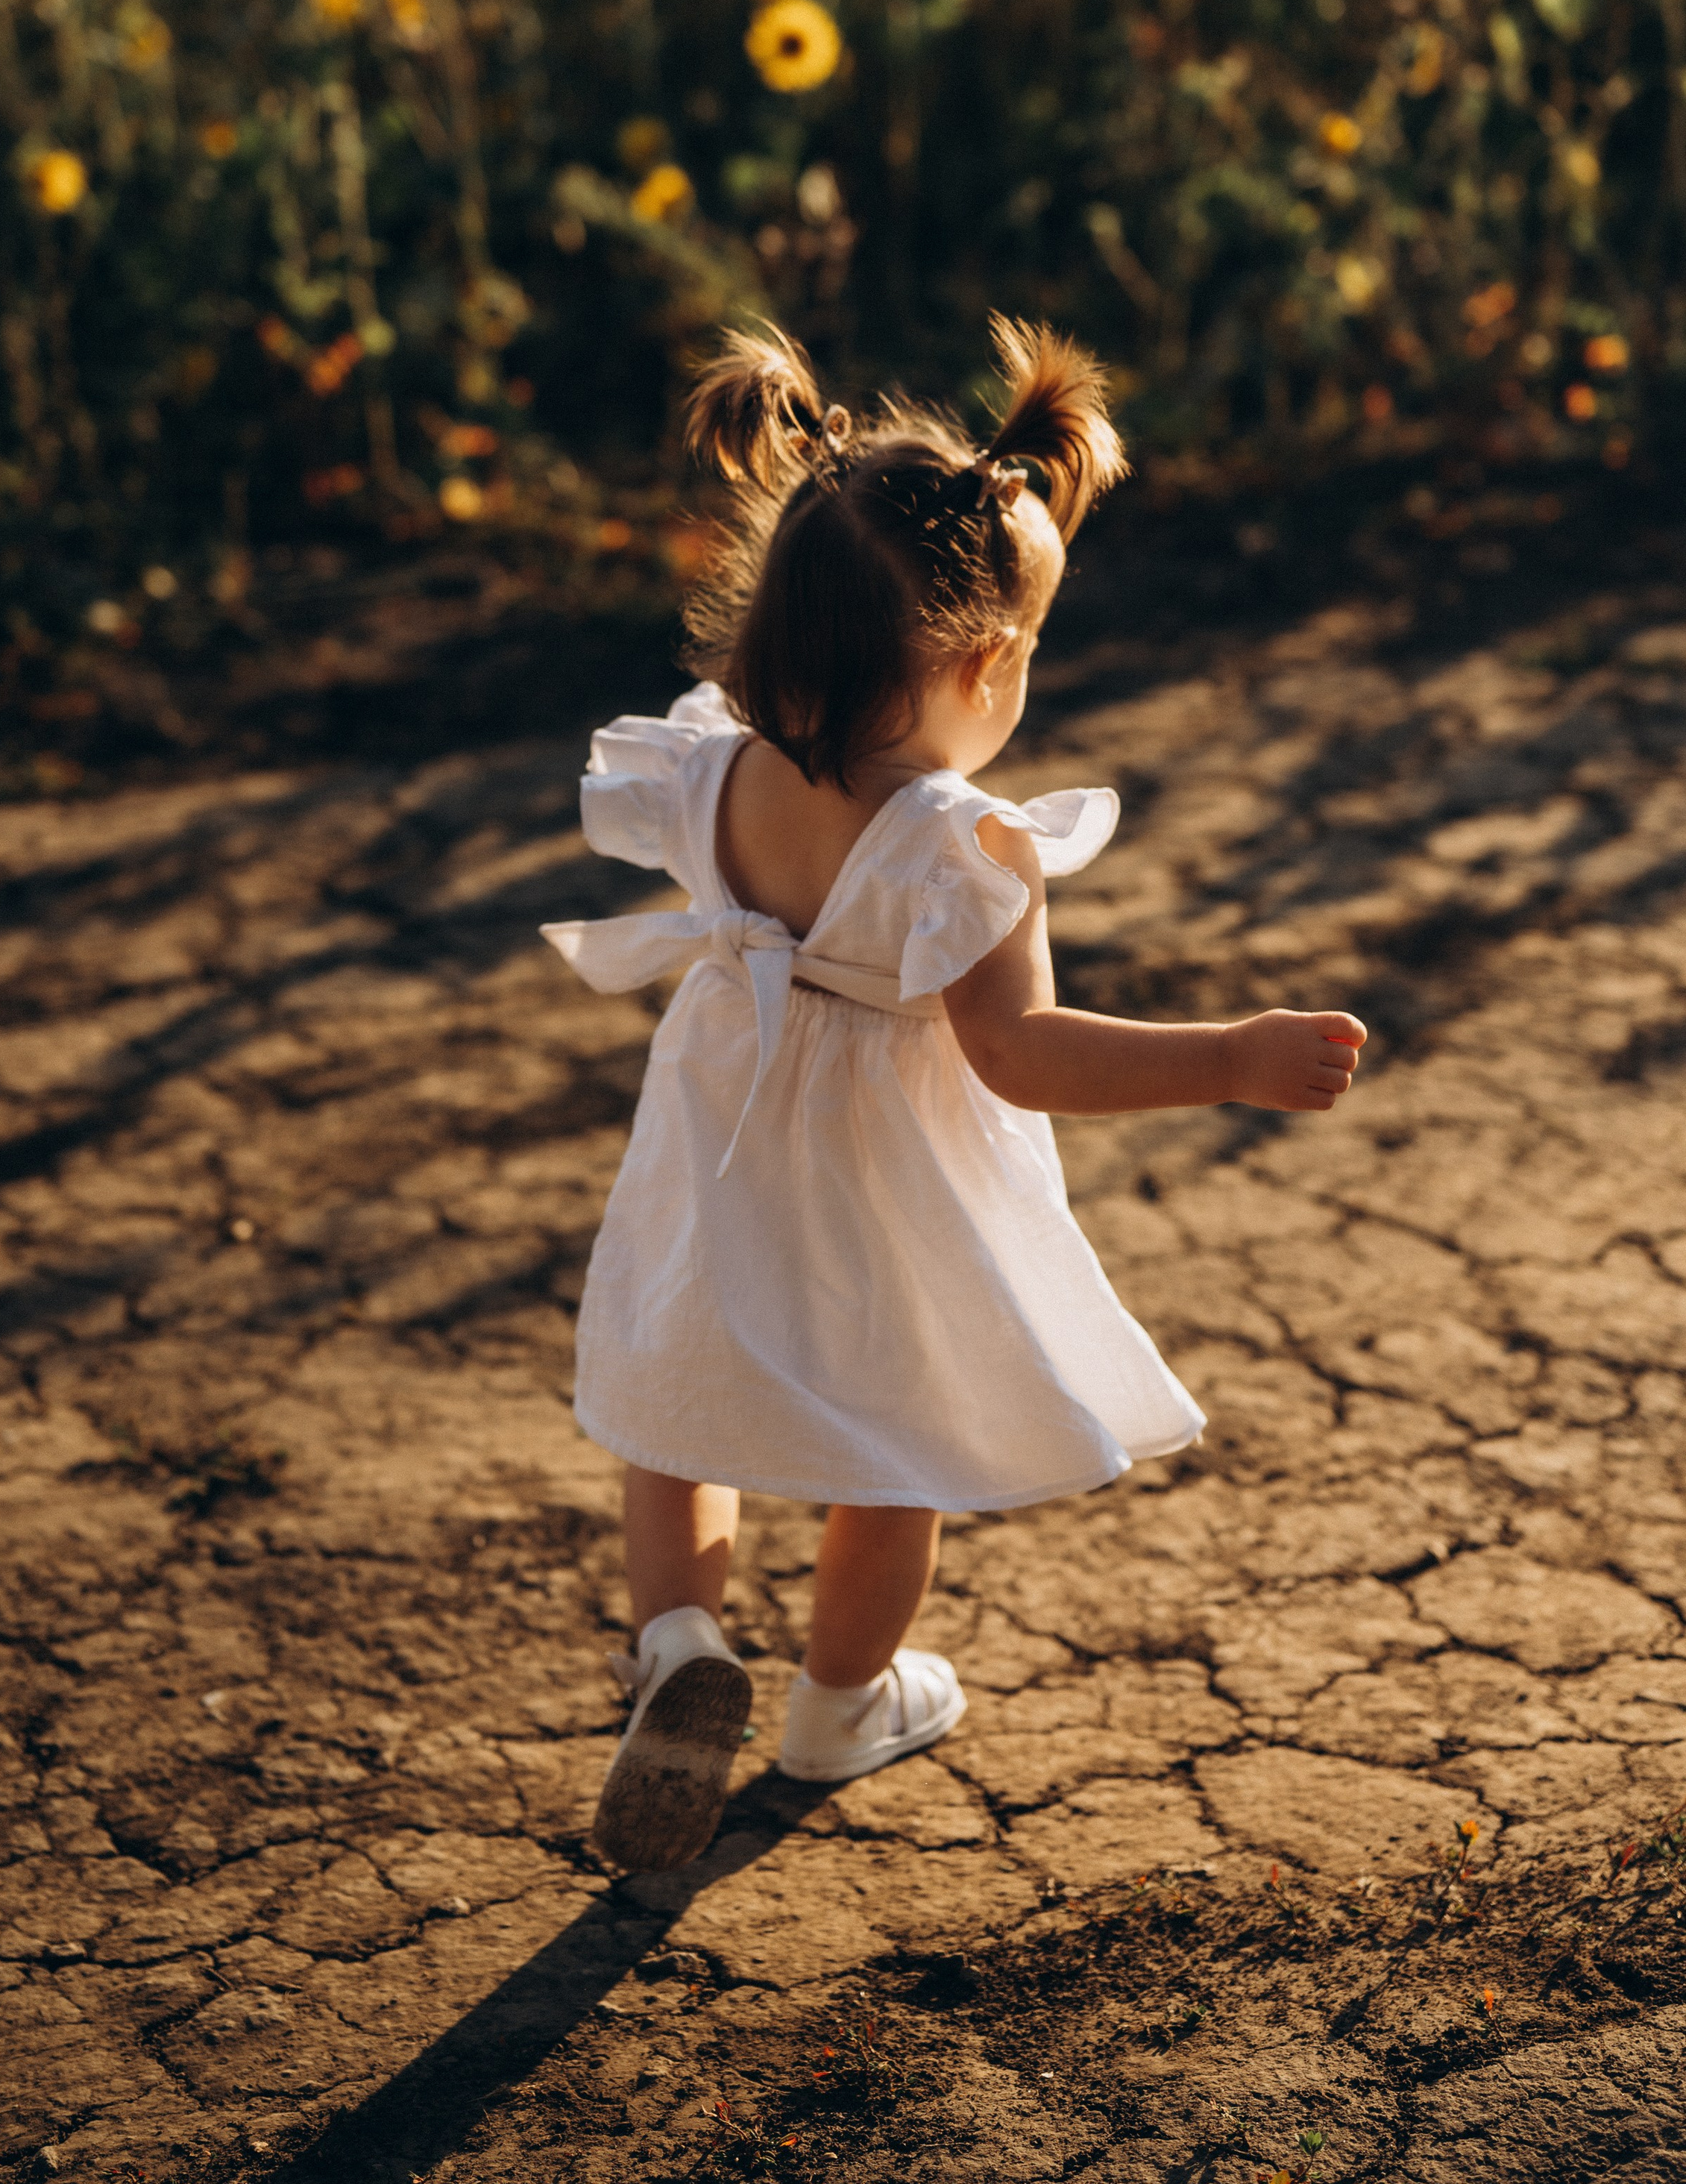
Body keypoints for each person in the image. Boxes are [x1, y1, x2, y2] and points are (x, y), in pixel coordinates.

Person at [543, 318, 1366, 1873]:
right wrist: (1226, 1058)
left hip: (720, 1136)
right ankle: (837, 1705)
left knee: (677, 1395)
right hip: (883, 1175)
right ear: (986, 663)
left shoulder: (714, 769)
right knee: (891, 1439)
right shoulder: (956, 842)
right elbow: (1018, 1051)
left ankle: (678, 1643)